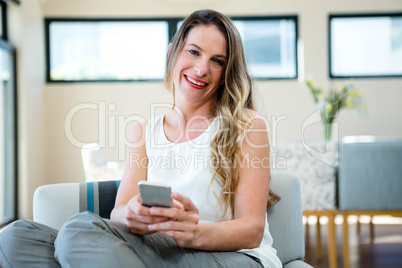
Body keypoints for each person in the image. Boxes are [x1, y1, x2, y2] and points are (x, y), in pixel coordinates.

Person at [0, 9, 282, 268]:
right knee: (17, 237)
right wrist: (131, 213)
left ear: (226, 72)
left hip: (232, 257)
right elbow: (119, 213)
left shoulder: (246, 126)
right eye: (194, 52)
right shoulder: (144, 133)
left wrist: (194, 233)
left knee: (78, 232)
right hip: (159, 251)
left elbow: (252, 230)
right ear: (172, 53)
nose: (201, 69)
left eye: (217, 61)